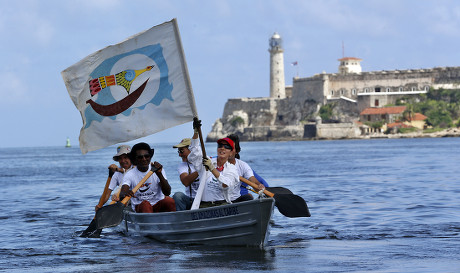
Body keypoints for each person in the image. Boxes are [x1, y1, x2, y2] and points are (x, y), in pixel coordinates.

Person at [188, 119, 239, 208]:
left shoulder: (232, 168)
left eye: (226, 147)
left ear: (231, 152)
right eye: (220, 146)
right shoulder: (207, 161)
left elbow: (225, 185)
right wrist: (196, 132)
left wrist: (212, 168)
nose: (222, 148)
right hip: (203, 206)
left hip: (222, 205)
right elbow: (195, 153)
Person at [119, 142, 176, 213]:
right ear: (135, 159)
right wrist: (125, 193)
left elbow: (167, 192)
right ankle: (150, 222)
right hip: (141, 207)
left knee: (169, 200)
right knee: (145, 204)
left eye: (147, 156)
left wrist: (159, 174)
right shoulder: (130, 174)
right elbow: (122, 193)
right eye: (140, 157)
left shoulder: (157, 170)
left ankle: (172, 222)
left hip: (157, 205)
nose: (144, 159)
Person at [226, 134, 266, 202]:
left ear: (237, 151)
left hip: (236, 200)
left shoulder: (243, 166)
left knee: (248, 197)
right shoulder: (213, 163)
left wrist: (259, 186)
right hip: (220, 200)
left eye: (231, 148)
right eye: (226, 148)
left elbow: (254, 181)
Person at [95, 145, 134, 211]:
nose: (123, 161)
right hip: (126, 202)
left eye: (125, 157)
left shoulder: (137, 168)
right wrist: (99, 205)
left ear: (131, 158)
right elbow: (107, 193)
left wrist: (118, 169)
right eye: (120, 158)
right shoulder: (116, 174)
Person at [171, 138, 201, 211]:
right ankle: (181, 219)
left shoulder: (206, 161)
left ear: (192, 150)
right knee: (177, 196)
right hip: (191, 200)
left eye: (181, 151)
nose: (179, 155)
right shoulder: (182, 166)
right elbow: (186, 182)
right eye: (179, 151)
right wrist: (201, 169)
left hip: (206, 199)